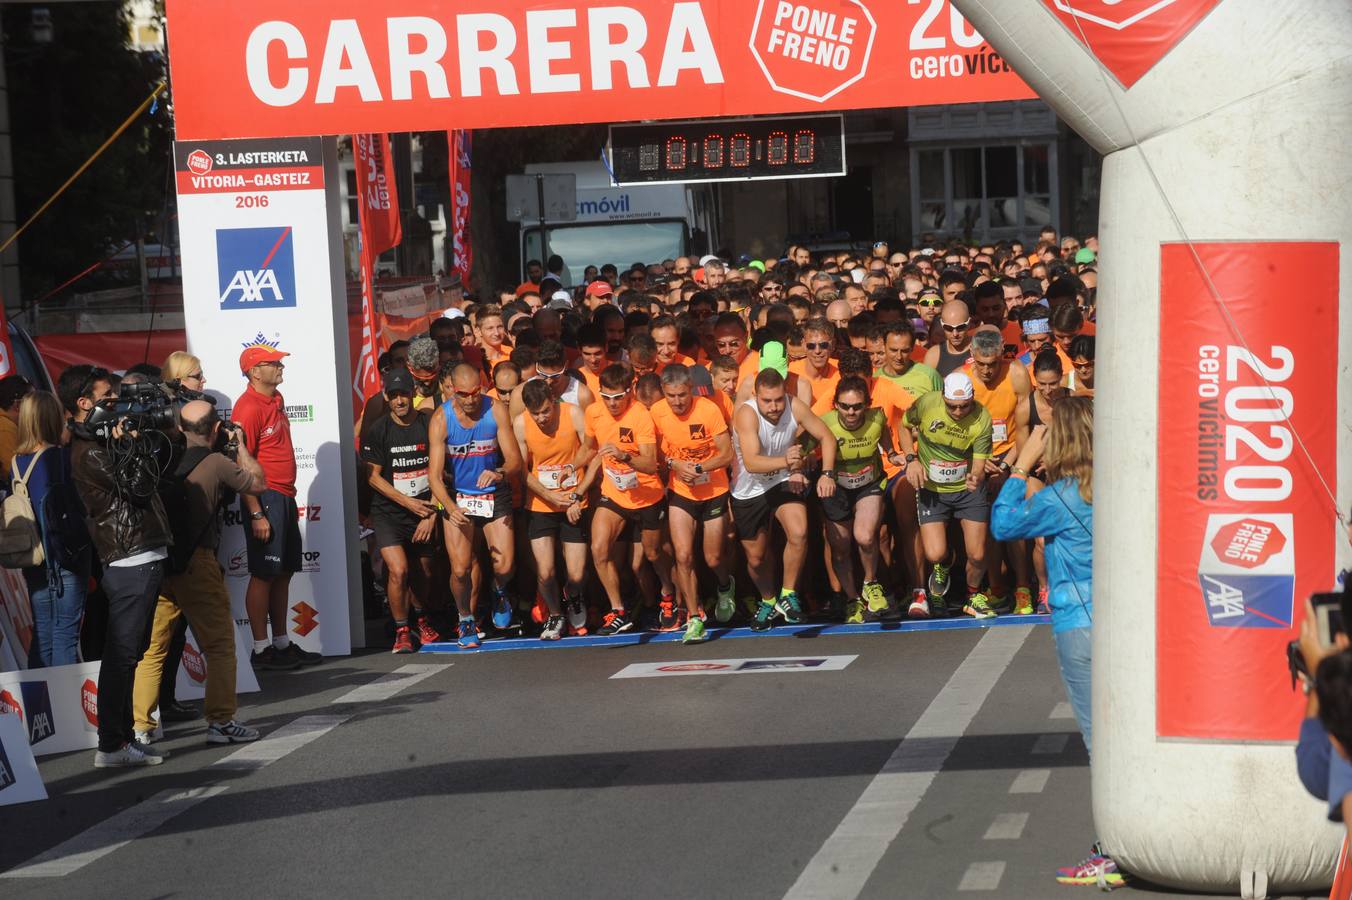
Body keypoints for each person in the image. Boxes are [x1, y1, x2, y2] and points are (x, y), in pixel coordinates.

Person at [989, 397, 1116, 888]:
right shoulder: (1119, 485)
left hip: (1078, 624)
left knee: (1096, 742)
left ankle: (1110, 848)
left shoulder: (1059, 498)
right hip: (1122, 623)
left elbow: (1003, 524)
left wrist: (1021, 464)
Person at [132, 400, 266, 745]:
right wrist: (241, 447)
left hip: (161, 562)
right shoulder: (218, 462)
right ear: (216, 429)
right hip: (198, 562)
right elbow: (258, 483)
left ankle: (141, 727)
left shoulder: (160, 458)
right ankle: (221, 722)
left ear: (178, 428)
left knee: (153, 648)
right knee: (220, 645)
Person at [64, 364, 172, 769]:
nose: (116, 405)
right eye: (107, 398)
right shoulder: (89, 450)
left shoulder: (100, 441)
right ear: (83, 403)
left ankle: (121, 738)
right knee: (123, 653)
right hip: (128, 555)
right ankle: (112, 743)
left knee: (132, 651)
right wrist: (132, 442)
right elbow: (140, 486)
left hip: (140, 552)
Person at [232, 343, 321, 671]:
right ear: (255, 372)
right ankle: (260, 649)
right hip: (265, 497)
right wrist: (255, 511)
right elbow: (241, 465)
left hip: (283, 496)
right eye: (274, 363)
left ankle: (281, 644)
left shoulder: (276, 399)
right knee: (263, 574)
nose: (281, 367)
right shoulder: (247, 408)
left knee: (282, 573)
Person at [732, 368, 838, 630]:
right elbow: (753, 462)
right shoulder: (746, 414)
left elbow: (827, 436)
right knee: (756, 557)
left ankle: (788, 595)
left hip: (781, 480)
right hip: (749, 487)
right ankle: (768, 601)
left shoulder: (794, 405)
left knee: (799, 531)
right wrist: (787, 461)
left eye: (779, 399)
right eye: (767, 401)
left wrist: (827, 474)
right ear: (756, 396)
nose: (774, 407)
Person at [427, 363, 524, 649]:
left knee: (504, 565)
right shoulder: (440, 419)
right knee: (460, 569)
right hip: (458, 497)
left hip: (494, 493)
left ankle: (498, 589)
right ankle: (465, 618)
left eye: (475, 393)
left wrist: (500, 472)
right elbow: (433, 477)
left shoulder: (494, 410)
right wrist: (449, 506)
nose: (471, 400)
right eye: (463, 394)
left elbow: (515, 461)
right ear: (451, 391)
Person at [583, 364, 674, 635]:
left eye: (618, 397)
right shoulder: (593, 412)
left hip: (647, 496)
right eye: (606, 397)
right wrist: (571, 477)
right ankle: (618, 610)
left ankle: (668, 596)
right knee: (599, 549)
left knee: (652, 555)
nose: (612, 404)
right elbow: (589, 452)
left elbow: (650, 464)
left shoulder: (641, 416)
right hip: (614, 495)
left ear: (630, 392)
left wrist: (624, 456)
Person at [898, 372, 995, 619]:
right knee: (934, 553)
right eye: (953, 406)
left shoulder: (982, 417)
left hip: (965, 489)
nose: (959, 412)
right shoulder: (928, 403)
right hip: (933, 489)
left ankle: (973, 595)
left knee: (978, 554)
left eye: (965, 406)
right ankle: (946, 560)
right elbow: (904, 426)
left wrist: (976, 476)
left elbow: (980, 461)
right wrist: (911, 459)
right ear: (943, 398)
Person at [360, 367, 443, 654]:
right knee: (398, 570)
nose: (399, 401)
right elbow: (372, 477)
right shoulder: (378, 429)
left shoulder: (429, 422)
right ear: (386, 397)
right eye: (393, 395)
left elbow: (439, 470)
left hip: (426, 509)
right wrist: (408, 503)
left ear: (413, 394)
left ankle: (421, 618)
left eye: (404, 394)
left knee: (425, 572)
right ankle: (401, 629)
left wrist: (431, 512)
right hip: (389, 513)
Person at [650, 364, 735, 643]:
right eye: (672, 396)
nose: (677, 402)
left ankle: (725, 585)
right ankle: (694, 617)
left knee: (713, 557)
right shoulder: (657, 412)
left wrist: (699, 468)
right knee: (683, 556)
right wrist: (675, 463)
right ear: (664, 392)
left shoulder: (708, 410)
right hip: (681, 492)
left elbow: (726, 453)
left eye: (682, 395)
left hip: (712, 489)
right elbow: (658, 454)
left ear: (691, 390)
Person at [9, 390, 89, 667]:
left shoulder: (16, 462)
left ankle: (41, 708)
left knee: (43, 637)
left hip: (34, 558)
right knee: (65, 634)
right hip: (64, 556)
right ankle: (66, 705)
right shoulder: (59, 458)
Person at [514, 378, 594, 640]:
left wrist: (574, 495)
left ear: (554, 401)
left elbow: (591, 452)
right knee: (546, 571)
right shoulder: (521, 424)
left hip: (573, 501)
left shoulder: (573, 413)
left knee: (576, 573)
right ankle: (556, 614)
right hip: (540, 504)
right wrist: (548, 495)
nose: (542, 418)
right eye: (535, 413)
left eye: (546, 410)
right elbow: (521, 470)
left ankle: (574, 595)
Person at [820, 376, 904, 623]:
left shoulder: (876, 416)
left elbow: (884, 432)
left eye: (857, 406)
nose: (851, 412)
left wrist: (891, 453)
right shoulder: (824, 424)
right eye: (845, 406)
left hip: (868, 483)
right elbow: (801, 447)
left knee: (866, 536)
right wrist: (797, 466)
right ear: (835, 404)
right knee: (840, 547)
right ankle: (852, 599)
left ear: (867, 404)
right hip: (836, 489)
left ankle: (870, 583)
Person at [923, 299, 975, 377]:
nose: (955, 334)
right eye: (948, 328)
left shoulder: (981, 348)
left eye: (960, 327)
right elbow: (927, 387)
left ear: (969, 324)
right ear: (942, 325)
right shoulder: (934, 355)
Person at [0, 374, 33, 476]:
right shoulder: (5, 429)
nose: (38, 407)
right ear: (18, 405)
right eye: (34, 402)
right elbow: (17, 475)